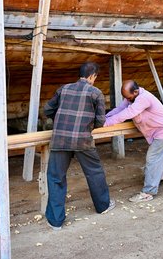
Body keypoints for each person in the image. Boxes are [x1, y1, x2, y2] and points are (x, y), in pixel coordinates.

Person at [44, 62, 115, 230]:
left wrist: (61, 122)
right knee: (94, 173)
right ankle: (103, 206)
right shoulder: (96, 93)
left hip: (60, 139)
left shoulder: (64, 89)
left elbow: (47, 109)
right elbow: (100, 120)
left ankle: (55, 222)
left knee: (56, 177)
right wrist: (86, 126)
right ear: (92, 76)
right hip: (83, 140)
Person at [104, 80, 163, 203]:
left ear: (136, 91)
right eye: (125, 97)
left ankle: (148, 192)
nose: (126, 99)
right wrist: (105, 118)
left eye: (128, 97)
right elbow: (120, 109)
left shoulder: (143, 98)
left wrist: (106, 124)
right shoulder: (131, 97)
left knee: (153, 159)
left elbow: (128, 113)